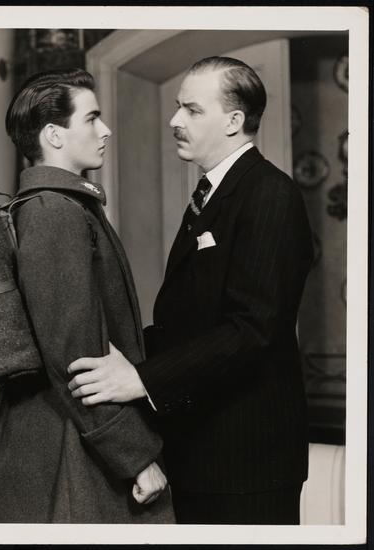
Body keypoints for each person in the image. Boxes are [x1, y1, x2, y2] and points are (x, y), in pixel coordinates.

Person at [67, 56, 314, 525]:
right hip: (203, 450)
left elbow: (253, 329)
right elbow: (189, 324)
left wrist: (141, 379)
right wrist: (117, 354)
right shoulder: (213, 193)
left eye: (193, 110)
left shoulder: (270, 194)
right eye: (178, 107)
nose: (175, 120)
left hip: (245, 461)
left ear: (234, 121)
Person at [0, 68, 175, 523]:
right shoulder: (53, 210)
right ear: (54, 135)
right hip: (68, 446)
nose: (105, 130)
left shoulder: (63, 205)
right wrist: (135, 455)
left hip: (69, 436)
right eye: (91, 118)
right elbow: (76, 356)